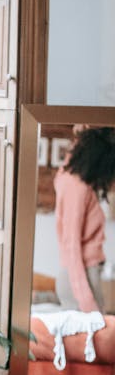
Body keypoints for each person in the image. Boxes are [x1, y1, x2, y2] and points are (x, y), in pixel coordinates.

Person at [54, 125, 115, 312]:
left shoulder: (69, 176)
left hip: (81, 276)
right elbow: (72, 247)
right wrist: (88, 303)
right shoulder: (77, 188)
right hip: (81, 278)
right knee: (96, 339)